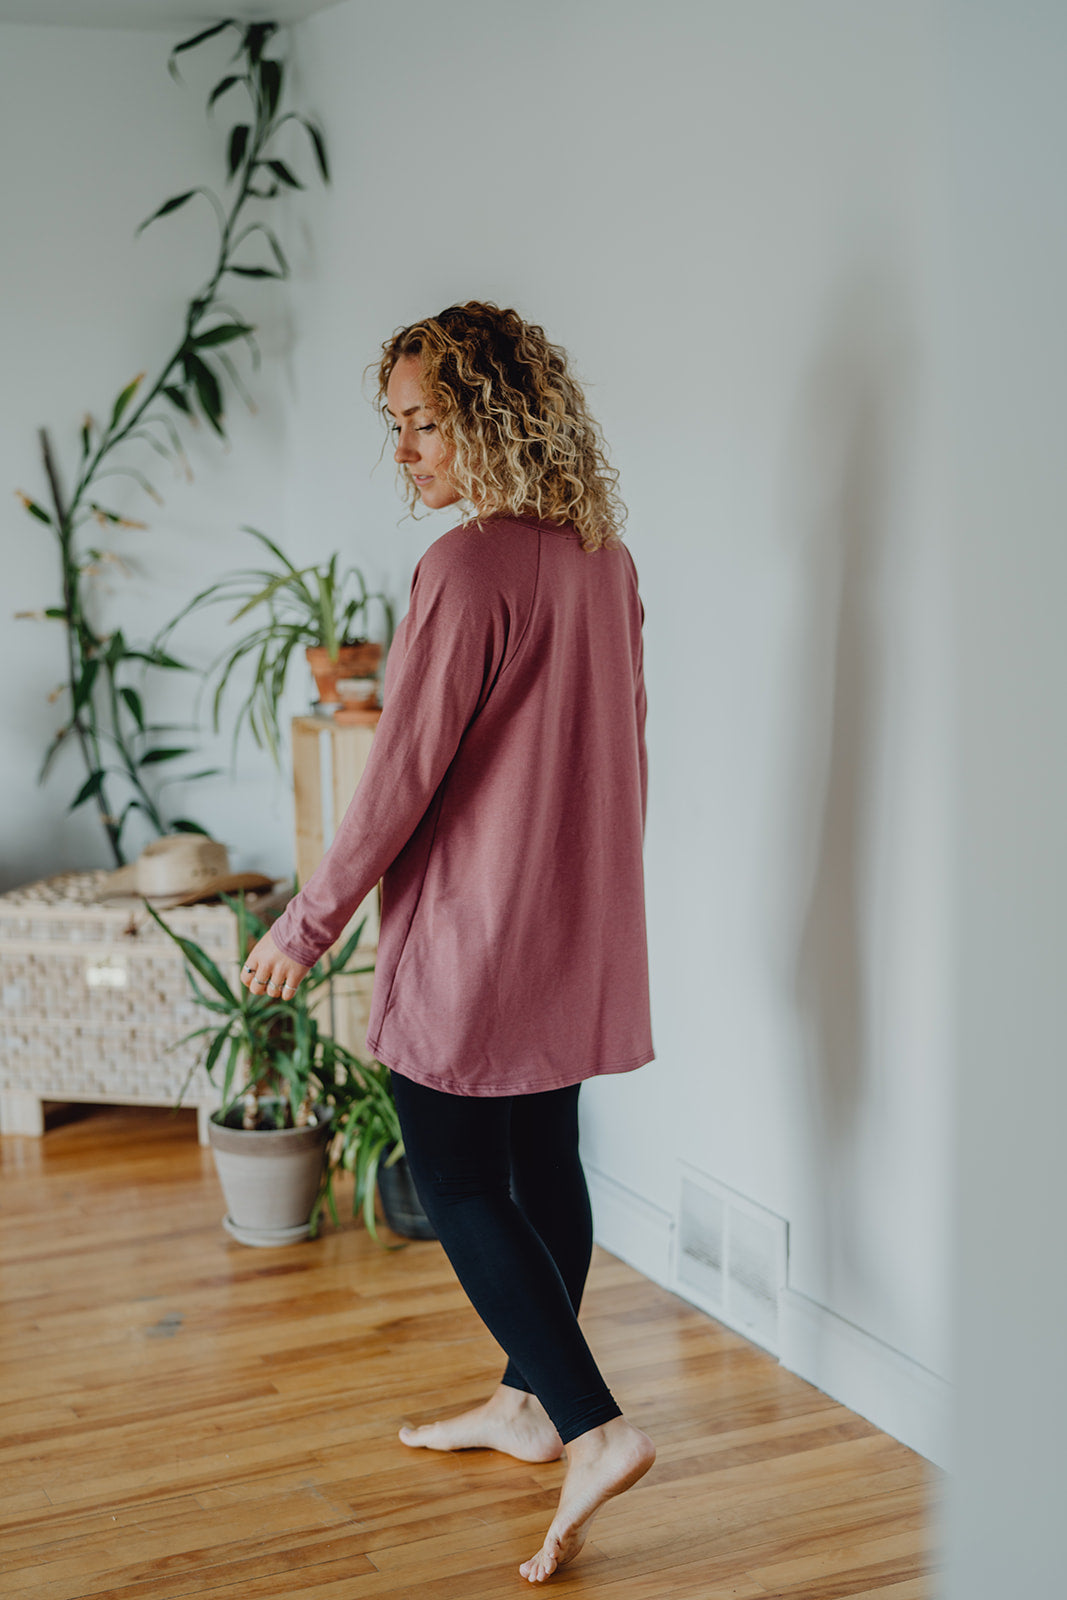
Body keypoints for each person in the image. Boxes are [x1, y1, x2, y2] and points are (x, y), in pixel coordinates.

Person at [239, 301, 655, 1583]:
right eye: (399, 425)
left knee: (463, 1182)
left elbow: (397, 781)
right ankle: (527, 1401)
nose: (407, 450)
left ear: (494, 416)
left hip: (473, 938)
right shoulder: (602, 557)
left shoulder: (466, 569)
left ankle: (591, 1423)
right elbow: (624, 755)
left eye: (426, 423)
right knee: (543, 1163)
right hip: (574, 926)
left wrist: (304, 928)